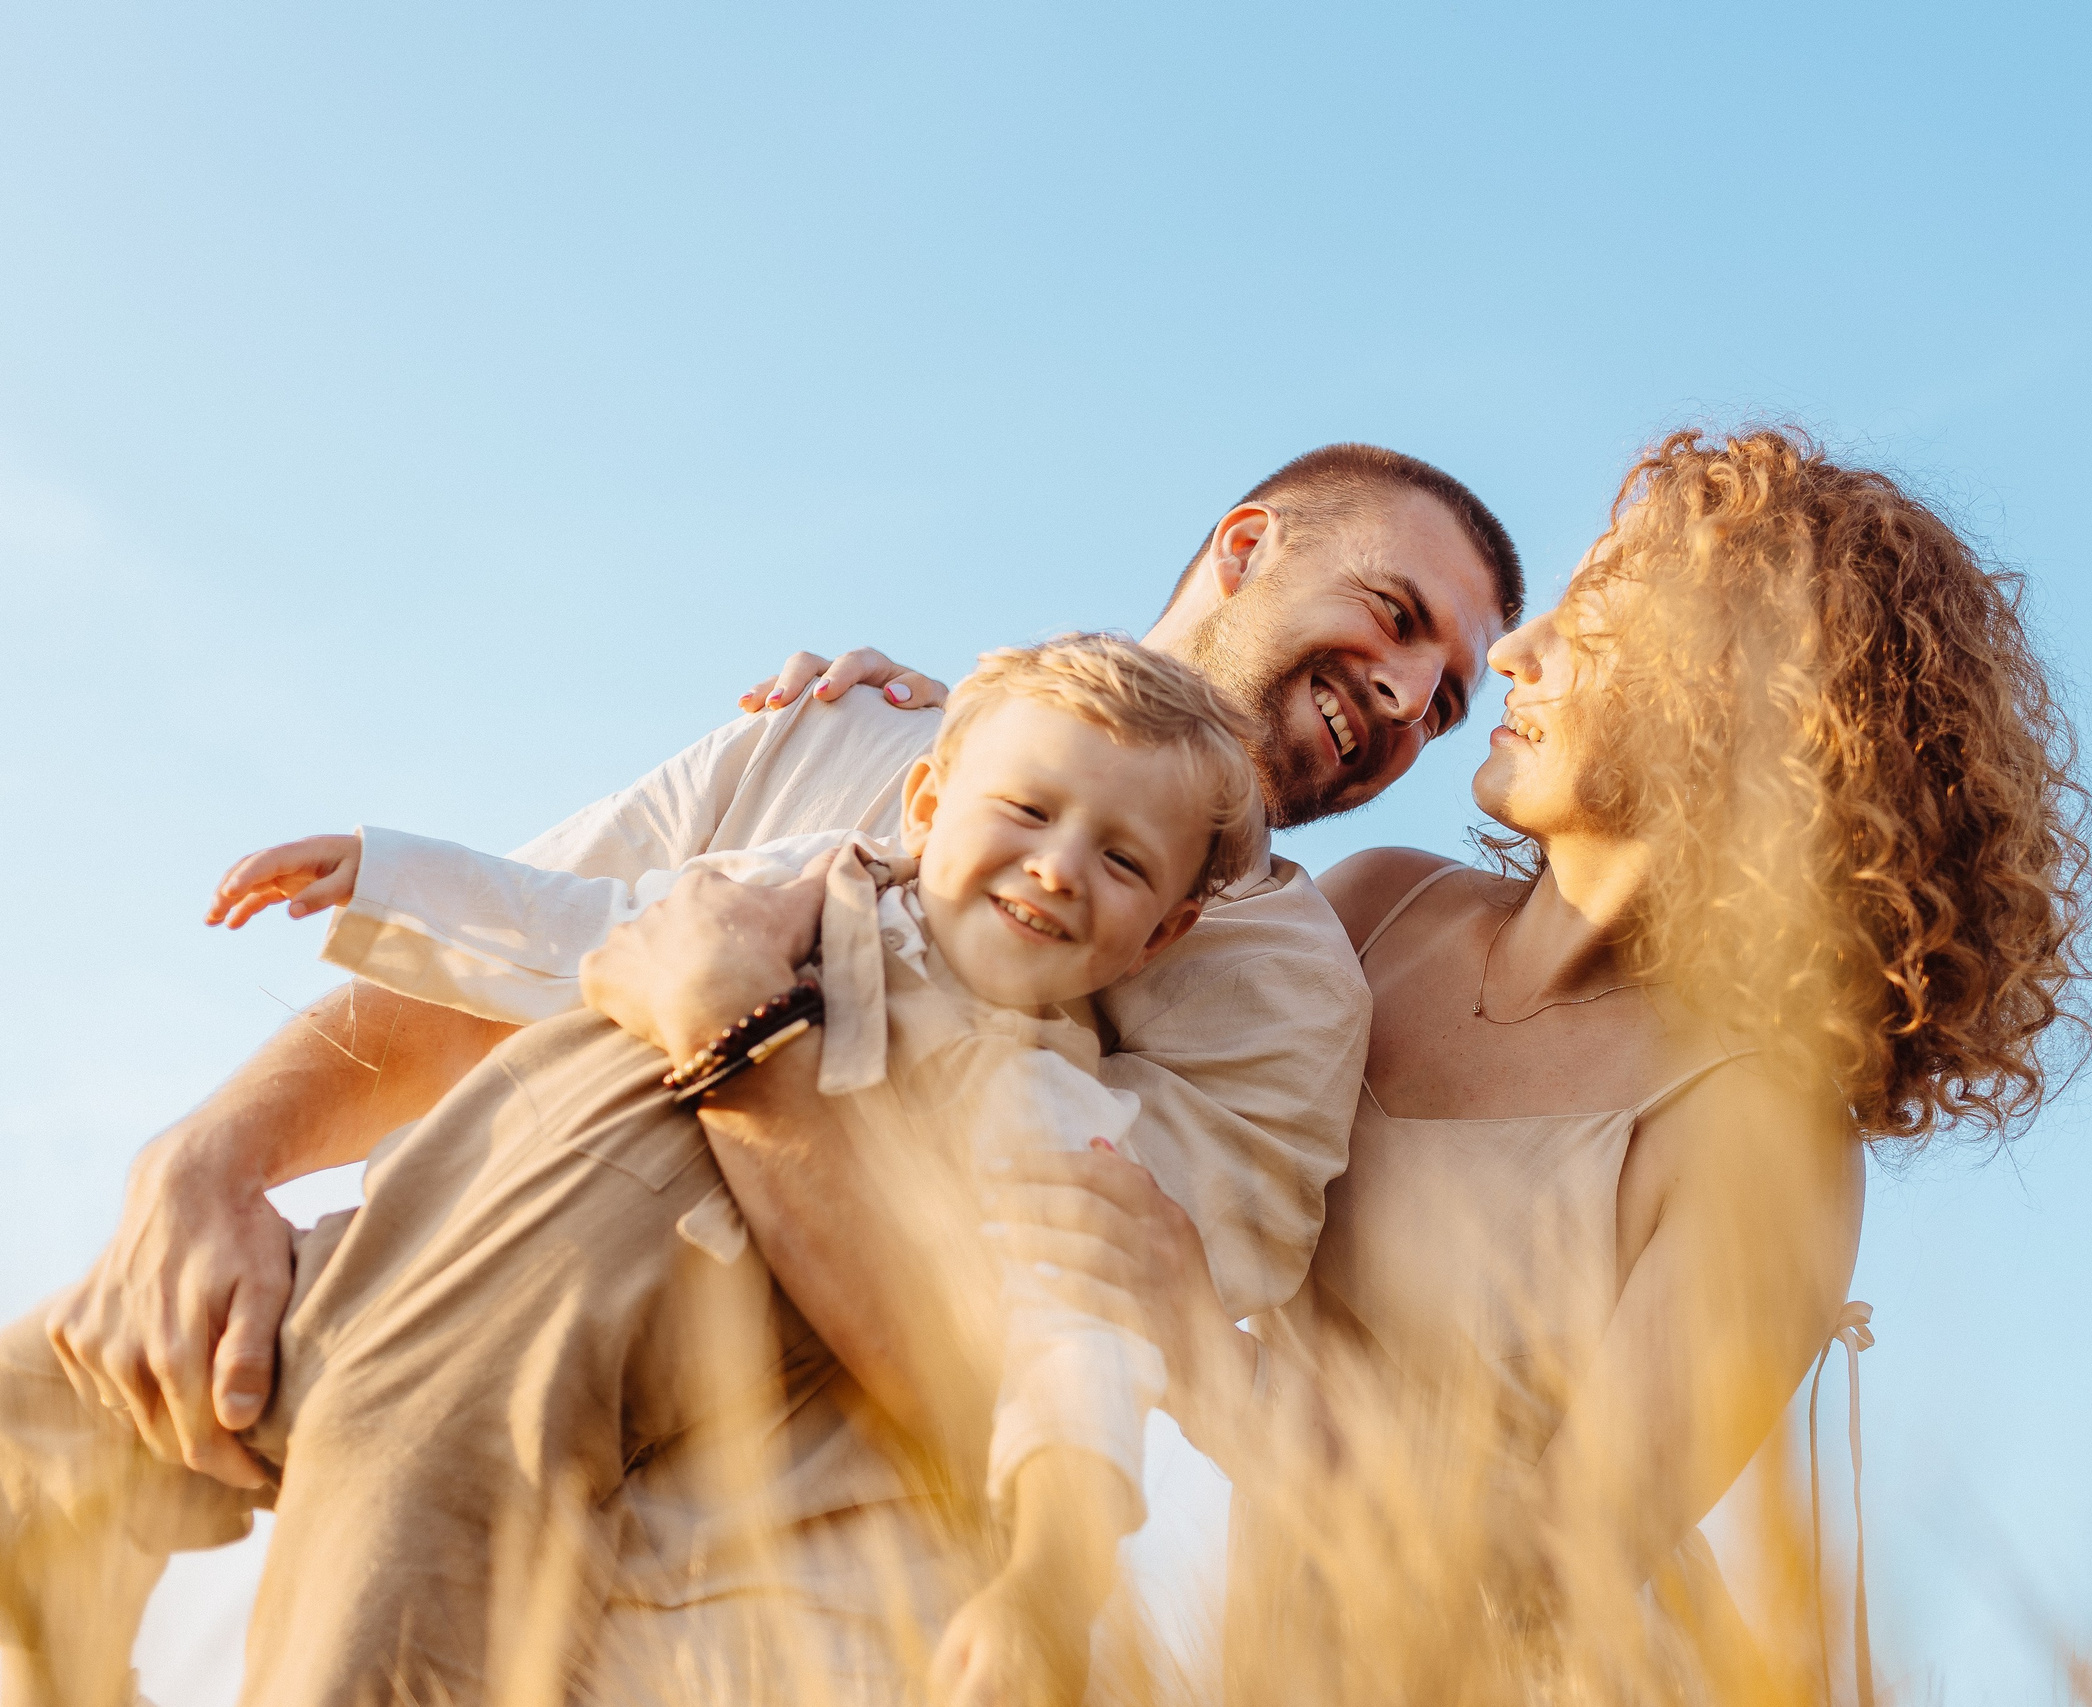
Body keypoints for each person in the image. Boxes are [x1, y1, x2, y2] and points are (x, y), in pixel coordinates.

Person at [8, 445, 1520, 1705]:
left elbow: (1033, 1349)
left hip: (683, 1513)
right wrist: (208, 1158)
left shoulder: (1280, 992)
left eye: (1444, 697)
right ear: (1246, 545)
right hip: (439, 1238)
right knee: (42, 1407)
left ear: (1168, 917)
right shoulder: (860, 738)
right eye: (1394, 618)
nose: (1404, 694)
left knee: (390, 1584)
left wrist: (742, 1050)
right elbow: (538, 938)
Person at [973, 428, 2092, 1701]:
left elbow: (1553, 1571)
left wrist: (1198, 1345)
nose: (1515, 652)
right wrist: (893, 745)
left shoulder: (1763, 1131)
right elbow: (1034, 975)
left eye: (1598, 626)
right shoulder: (1368, 916)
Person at [133, 635, 1250, 1702]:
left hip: (635, 1346)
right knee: (82, 1386)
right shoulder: (808, 879)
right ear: (925, 804)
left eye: (1121, 860)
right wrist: (389, 877)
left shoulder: (1048, 1105)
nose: (1058, 870)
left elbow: (1075, 1350)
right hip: (464, 1228)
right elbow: (598, 922)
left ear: (1161, 931)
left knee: (396, 1603)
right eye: (1028, 810)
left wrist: (1051, 1587)